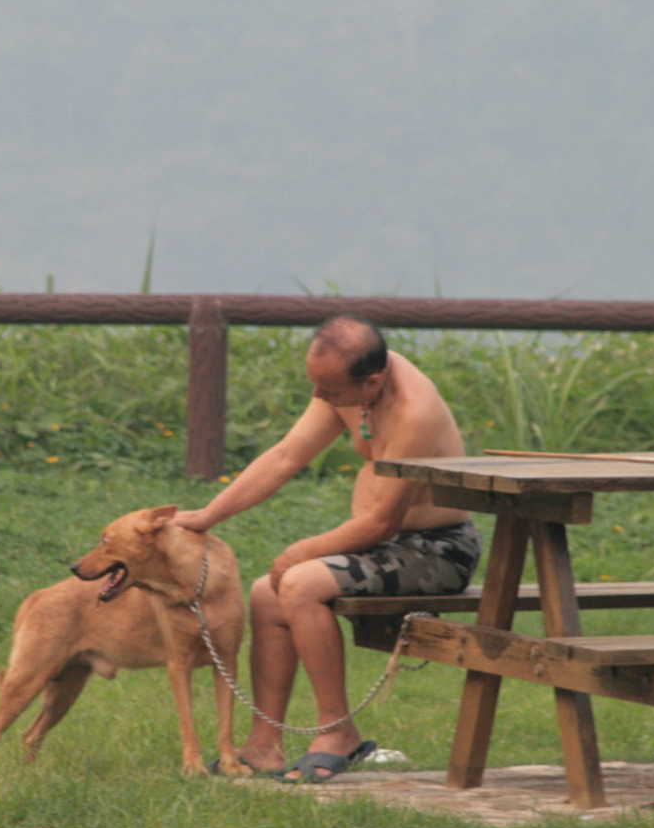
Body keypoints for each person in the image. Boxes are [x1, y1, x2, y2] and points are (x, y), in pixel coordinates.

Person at [172, 315, 481, 782]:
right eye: (316, 386)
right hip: (389, 543)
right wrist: (205, 516)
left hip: (436, 551)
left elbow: (381, 522)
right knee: (265, 594)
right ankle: (262, 745)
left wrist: (302, 551)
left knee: (296, 582)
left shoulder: (412, 413)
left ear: (371, 381)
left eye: (329, 391)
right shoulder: (349, 384)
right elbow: (285, 456)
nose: (320, 398)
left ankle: (338, 732)